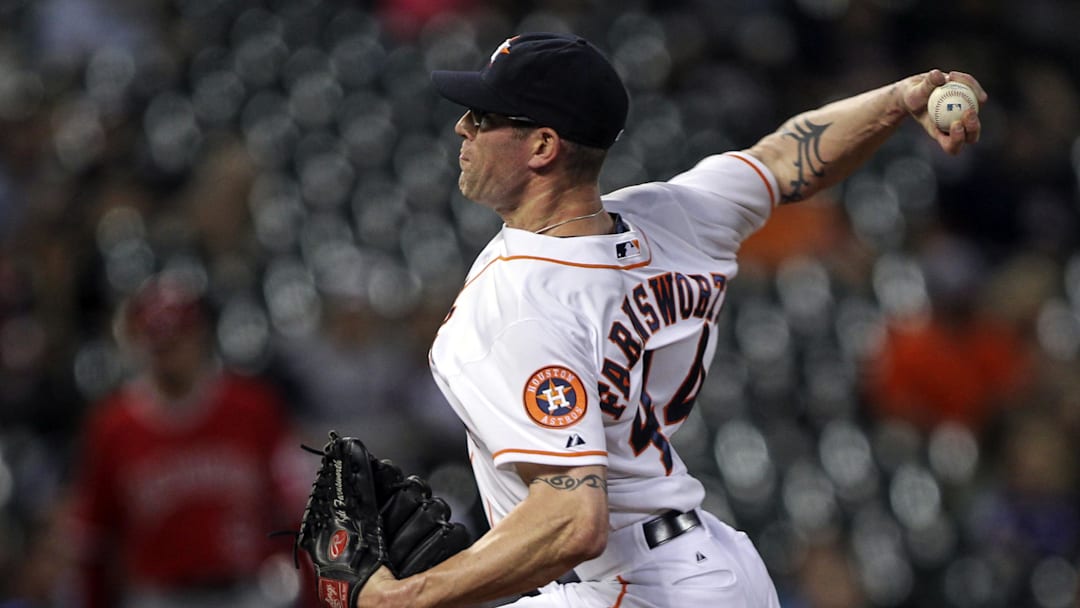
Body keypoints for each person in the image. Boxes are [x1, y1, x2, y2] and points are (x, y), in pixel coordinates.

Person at [356, 32, 986, 607]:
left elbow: (572, 521)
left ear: (543, 146)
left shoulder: (514, 306)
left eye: (485, 117)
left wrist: (403, 598)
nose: (463, 126)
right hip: (717, 568)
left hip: (634, 586)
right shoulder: (672, 217)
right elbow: (788, 161)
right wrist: (900, 99)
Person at [67, 272, 314, 608]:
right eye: (156, 340)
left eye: (178, 337)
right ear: (138, 342)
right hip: (159, 595)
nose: (168, 353)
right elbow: (93, 538)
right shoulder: (113, 425)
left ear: (200, 335)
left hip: (246, 590)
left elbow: (297, 508)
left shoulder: (251, 408)